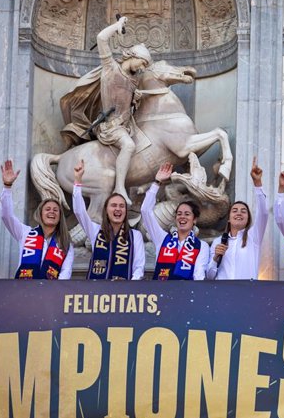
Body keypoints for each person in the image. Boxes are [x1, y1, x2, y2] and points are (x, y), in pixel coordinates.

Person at [94, 16, 152, 204]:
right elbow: (102, 38)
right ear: (133, 56)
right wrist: (117, 26)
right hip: (111, 127)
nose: (143, 68)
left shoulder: (133, 81)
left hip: (126, 127)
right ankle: (119, 187)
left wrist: (136, 101)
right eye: (142, 63)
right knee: (129, 146)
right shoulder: (110, 68)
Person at [0, 159, 73, 280]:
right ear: (40, 214)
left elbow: (66, 272)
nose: (51, 212)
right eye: (48, 209)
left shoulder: (65, 242)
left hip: (50, 293)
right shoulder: (25, 233)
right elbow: (6, 216)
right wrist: (7, 187)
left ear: (60, 217)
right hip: (23, 290)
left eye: (56, 210)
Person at [73, 159, 145, 280]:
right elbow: (79, 211)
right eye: (114, 205)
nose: (118, 209)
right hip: (96, 293)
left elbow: (138, 267)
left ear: (126, 211)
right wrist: (78, 181)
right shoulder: (95, 231)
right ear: (106, 210)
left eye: (122, 206)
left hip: (123, 294)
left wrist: (130, 286)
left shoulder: (135, 236)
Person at [142, 162, 209, 280]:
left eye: (187, 214)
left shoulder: (201, 246)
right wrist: (157, 183)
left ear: (194, 220)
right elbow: (146, 211)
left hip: (186, 294)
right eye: (179, 214)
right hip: (160, 292)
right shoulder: (162, 238)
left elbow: (199, 275)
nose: (182, 217)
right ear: (175, 218)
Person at [207, 157, 268, 280]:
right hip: (223, 295)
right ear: (229, 218)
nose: (239, 213)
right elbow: (209, 276)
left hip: (247, 293)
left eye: (243, 211)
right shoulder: (218, 242)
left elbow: (263, 213)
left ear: (248, 218)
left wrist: (257, 184)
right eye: (234, 211)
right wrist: (215, 258)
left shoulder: (253, 236)